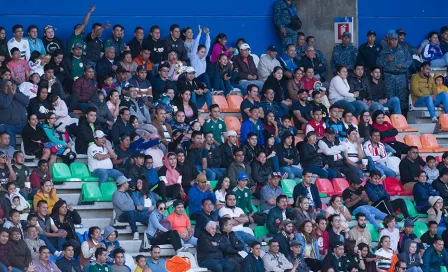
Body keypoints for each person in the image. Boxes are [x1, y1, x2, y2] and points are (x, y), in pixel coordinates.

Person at [377, 31, 412, 110]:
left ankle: (402, 117)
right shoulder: (384, 50)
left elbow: (409, 60)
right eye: (392, 40)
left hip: (401, 76)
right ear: (388, 40)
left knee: (402, 97)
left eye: (395, 39)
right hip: (389, 76)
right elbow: (378, 63)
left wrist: (402, 65)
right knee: (390, 97)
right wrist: (386, 60)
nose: (394, 41)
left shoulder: (403, 49)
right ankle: (391, 117)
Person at [112, 176, 149, 240]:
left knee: (145, 216)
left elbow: (131, 204)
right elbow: (123, 208)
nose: (128, 184)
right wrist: (132, 207)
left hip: (132, 213)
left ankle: (155, 231)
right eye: (127, 183)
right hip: (121, 216)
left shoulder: (126, 193)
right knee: (131, 213)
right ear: (123, 184)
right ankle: (135, 232)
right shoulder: (116, 194)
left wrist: (131, 207)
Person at [0, 80, 29, 148]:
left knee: (32, 132)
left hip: (23, 124)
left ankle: (31, 153)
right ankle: (12, 155)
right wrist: (11, 94)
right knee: (10, 135)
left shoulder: (18, 93)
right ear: (2, 87)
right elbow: (4, 104)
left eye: (11, 85)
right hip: (9, 125)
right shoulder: (1, 95)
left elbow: (26, 101)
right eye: (7, 86)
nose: (10, 88)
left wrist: (15, 93)